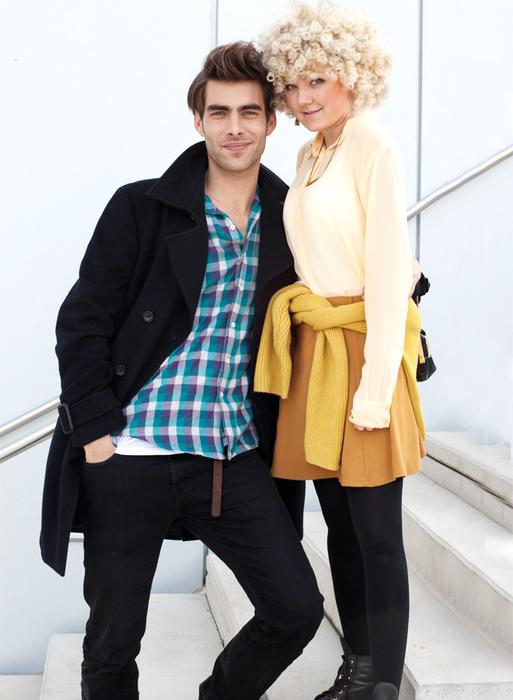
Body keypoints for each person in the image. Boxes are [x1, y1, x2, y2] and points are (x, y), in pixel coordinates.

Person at [40, 41, 324, 700]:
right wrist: (96, 434)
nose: (234, 127)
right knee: (112, 643)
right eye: (219, 112)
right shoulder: (141, 207)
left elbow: (342, 274)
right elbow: (81, 322)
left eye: (248, 112)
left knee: (294, 609)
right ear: (198, 119)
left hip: (231, 455)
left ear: (270, 121)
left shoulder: (293, 218)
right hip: (131, 453)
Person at [257, 4, 426, 700]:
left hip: (363, 351)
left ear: (351, 75)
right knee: (339, 529)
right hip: (317, 353)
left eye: (317, 80)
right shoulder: (308, 154)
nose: (302, 98)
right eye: (291, 85)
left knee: (377, 534)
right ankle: (356, 668)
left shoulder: (369, 142)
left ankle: (383, 684)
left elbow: (387, 272)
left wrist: (376, 391)